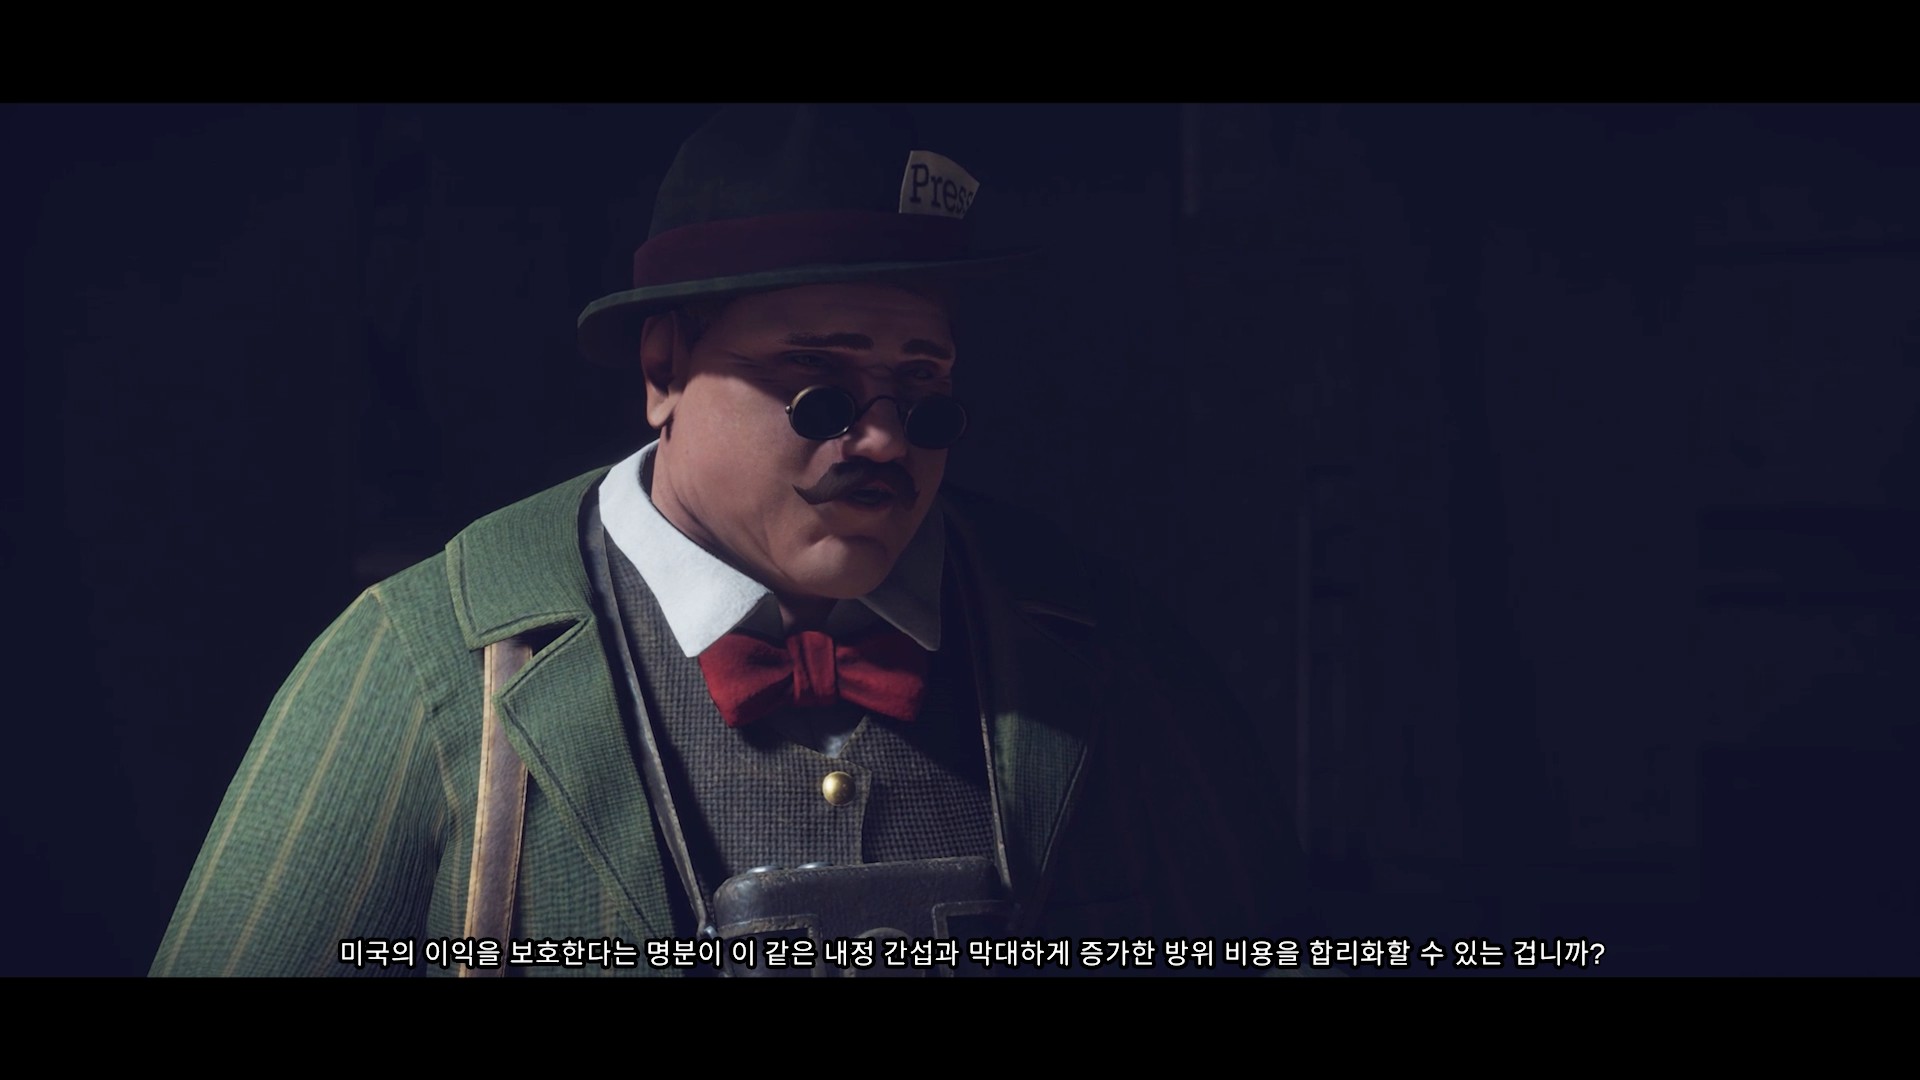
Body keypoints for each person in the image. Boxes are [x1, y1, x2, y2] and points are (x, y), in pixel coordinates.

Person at [152, 104, 1306, 977]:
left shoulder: (1104, 658)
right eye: (819, 387)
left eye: (923, 392)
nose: (882, 439)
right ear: (663, 369)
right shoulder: (427, 665)